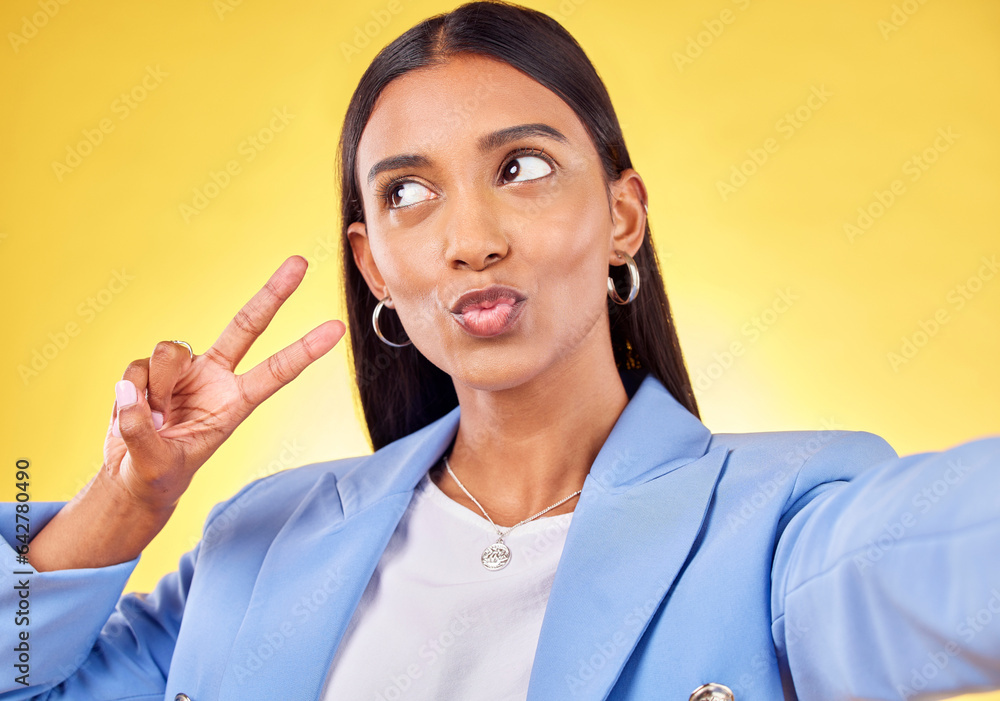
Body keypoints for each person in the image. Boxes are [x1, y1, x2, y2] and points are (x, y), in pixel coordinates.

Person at [3, 2, 999, 700]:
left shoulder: (777, 528)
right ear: (375, 264)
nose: (469, 237)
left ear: (622, 214)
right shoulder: (261, 544)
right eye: (406, 192)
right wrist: (123, 504)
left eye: (520, 167)